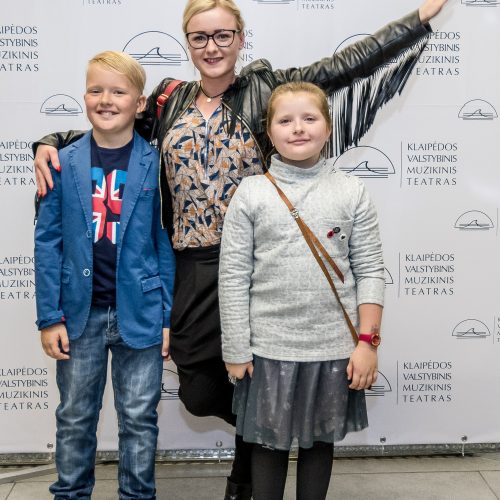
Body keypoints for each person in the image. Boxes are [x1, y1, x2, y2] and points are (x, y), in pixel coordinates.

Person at [32, 2, 448, 498]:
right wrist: (51, 138)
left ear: (241, 38)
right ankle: (269, 431)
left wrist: (416, 20)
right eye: (200, 37)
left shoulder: (266, 89)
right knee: (200, 390)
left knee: (258, 371)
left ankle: (245, 474)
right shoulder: (168, 99)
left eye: (223, 35)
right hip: (190, 262)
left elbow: (343, 67)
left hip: (257, 262)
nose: (213, 47)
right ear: (188, 42)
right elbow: (111, 124)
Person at [219, 81, 384, 500]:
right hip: (269, 349)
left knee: (318, 445)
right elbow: (234, 276)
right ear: (269, 132)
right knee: (268, 447)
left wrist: (367, 342)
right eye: (285, 120)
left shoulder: (352, 192)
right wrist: (237, 348)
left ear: (328, 128)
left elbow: (370, 270)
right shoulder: (251, 193)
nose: (298, 128)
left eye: (309, 118)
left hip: (333, 348)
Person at [34, 51, 175, 500]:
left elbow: (165, 243)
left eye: (118, 91)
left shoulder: (156, 163)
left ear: (139, 103)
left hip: (142, 313)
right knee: (75, 415)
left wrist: (168, 316)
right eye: (96, 90)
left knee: (139, 417)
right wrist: (49, 316)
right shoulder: (63, 161)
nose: (106, 99)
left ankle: (138, 496)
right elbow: (48, 243)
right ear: (84, 96)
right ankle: (70, 494)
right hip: (80, 316)